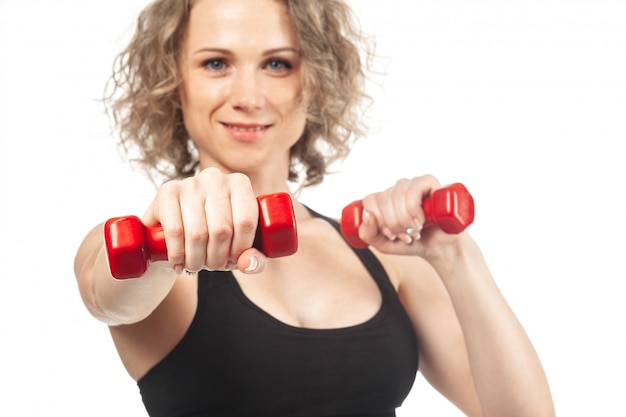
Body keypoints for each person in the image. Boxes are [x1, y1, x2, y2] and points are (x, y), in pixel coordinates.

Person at [74, 0, 555, 416]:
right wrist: (167, 227)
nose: (248, 97)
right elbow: (107, 294)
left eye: (278, 64)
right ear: (174, 82)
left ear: (316, 81)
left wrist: (453, 255)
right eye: (216, 63)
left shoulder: (385, 258)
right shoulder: (149, 245)